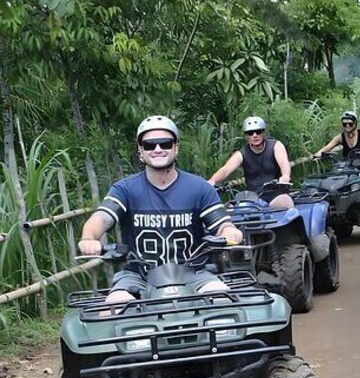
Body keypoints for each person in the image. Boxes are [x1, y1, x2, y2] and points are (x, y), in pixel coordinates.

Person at [78, 115, 243, 304]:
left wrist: (229, 231)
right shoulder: (125, 189)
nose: (158, 149)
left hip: (194, 273)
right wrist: (88, 238)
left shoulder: (199, 188)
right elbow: (102, 217)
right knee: (112, 308)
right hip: (138, 276)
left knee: (224, 301)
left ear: (176, 147)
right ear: (140, 150)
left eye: (165, 143)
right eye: (149, 145)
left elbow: (221, 223)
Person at [207, 116, 294, 209]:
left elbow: (284, 164)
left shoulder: (275, 146)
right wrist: (211, 182)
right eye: (250, 133)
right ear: (246, 136)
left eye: (258, 131)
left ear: (263, 133)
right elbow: (225, 170)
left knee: (285, 202)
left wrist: (285, 176)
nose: (255, 135)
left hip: (275, 194)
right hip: (252, 197)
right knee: (228, 209)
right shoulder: (242, 153)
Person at [312, 111, 360, 175]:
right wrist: (319, 153)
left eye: (350, 123)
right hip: (350, 169)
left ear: (355, 123)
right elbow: (328, 147)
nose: (347, 126)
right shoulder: (340, 137)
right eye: (344, 124)